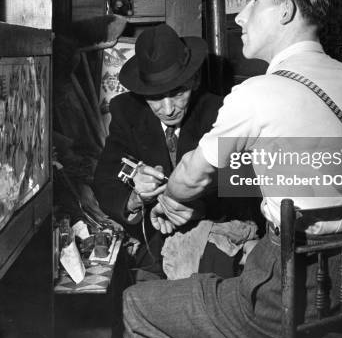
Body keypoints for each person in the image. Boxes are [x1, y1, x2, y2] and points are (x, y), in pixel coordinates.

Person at [123, 0, 342, 338]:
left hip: (286, 305)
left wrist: (169, 202)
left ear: (285, 10)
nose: (241, 15)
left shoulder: (259, 92)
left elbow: (189, 180)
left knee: (137, 305)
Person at [94, 24, 252, 280]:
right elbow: (104, 180)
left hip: (210, 238)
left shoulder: (221, 111)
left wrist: (198, 204)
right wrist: (135, 199)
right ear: (141, 93)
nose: (168, 109)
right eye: (155, 97)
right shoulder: (126, 111)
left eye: (178, 92)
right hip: (151, 245)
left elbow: (245, 181)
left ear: (195, 80)